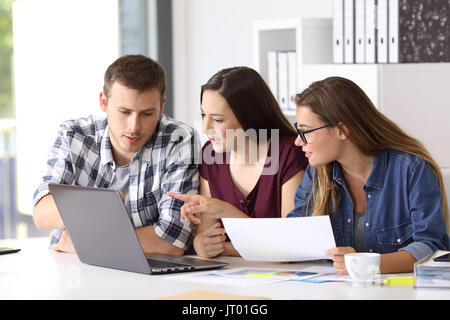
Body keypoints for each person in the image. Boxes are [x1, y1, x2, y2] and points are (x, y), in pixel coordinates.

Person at [33, 54, 200, 255]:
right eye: (124, 112)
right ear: (103, 102)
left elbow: (173, 241)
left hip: (145, 276)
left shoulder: (180, 139)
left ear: (162, 106)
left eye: (147, 114)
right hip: (75, 267)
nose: (134, 127)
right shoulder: (74, 135)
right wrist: (105, 206)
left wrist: (91, 240)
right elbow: (42, 214)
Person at [287, 76, 450, 274]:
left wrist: (363, 264)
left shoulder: (411, 170)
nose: (298, 141)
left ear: (341, 130)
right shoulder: (318, 172)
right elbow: (294, 237)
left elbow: (431, 247)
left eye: (306, 132)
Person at [168, 66, 308, 258]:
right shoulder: (211, 156)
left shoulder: (290, 154)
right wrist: (201, 244)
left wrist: (227, 212)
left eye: (217, 120)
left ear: (248, 117)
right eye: (203, 115)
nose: (205, 128)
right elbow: (206, 237)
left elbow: (287, 248)